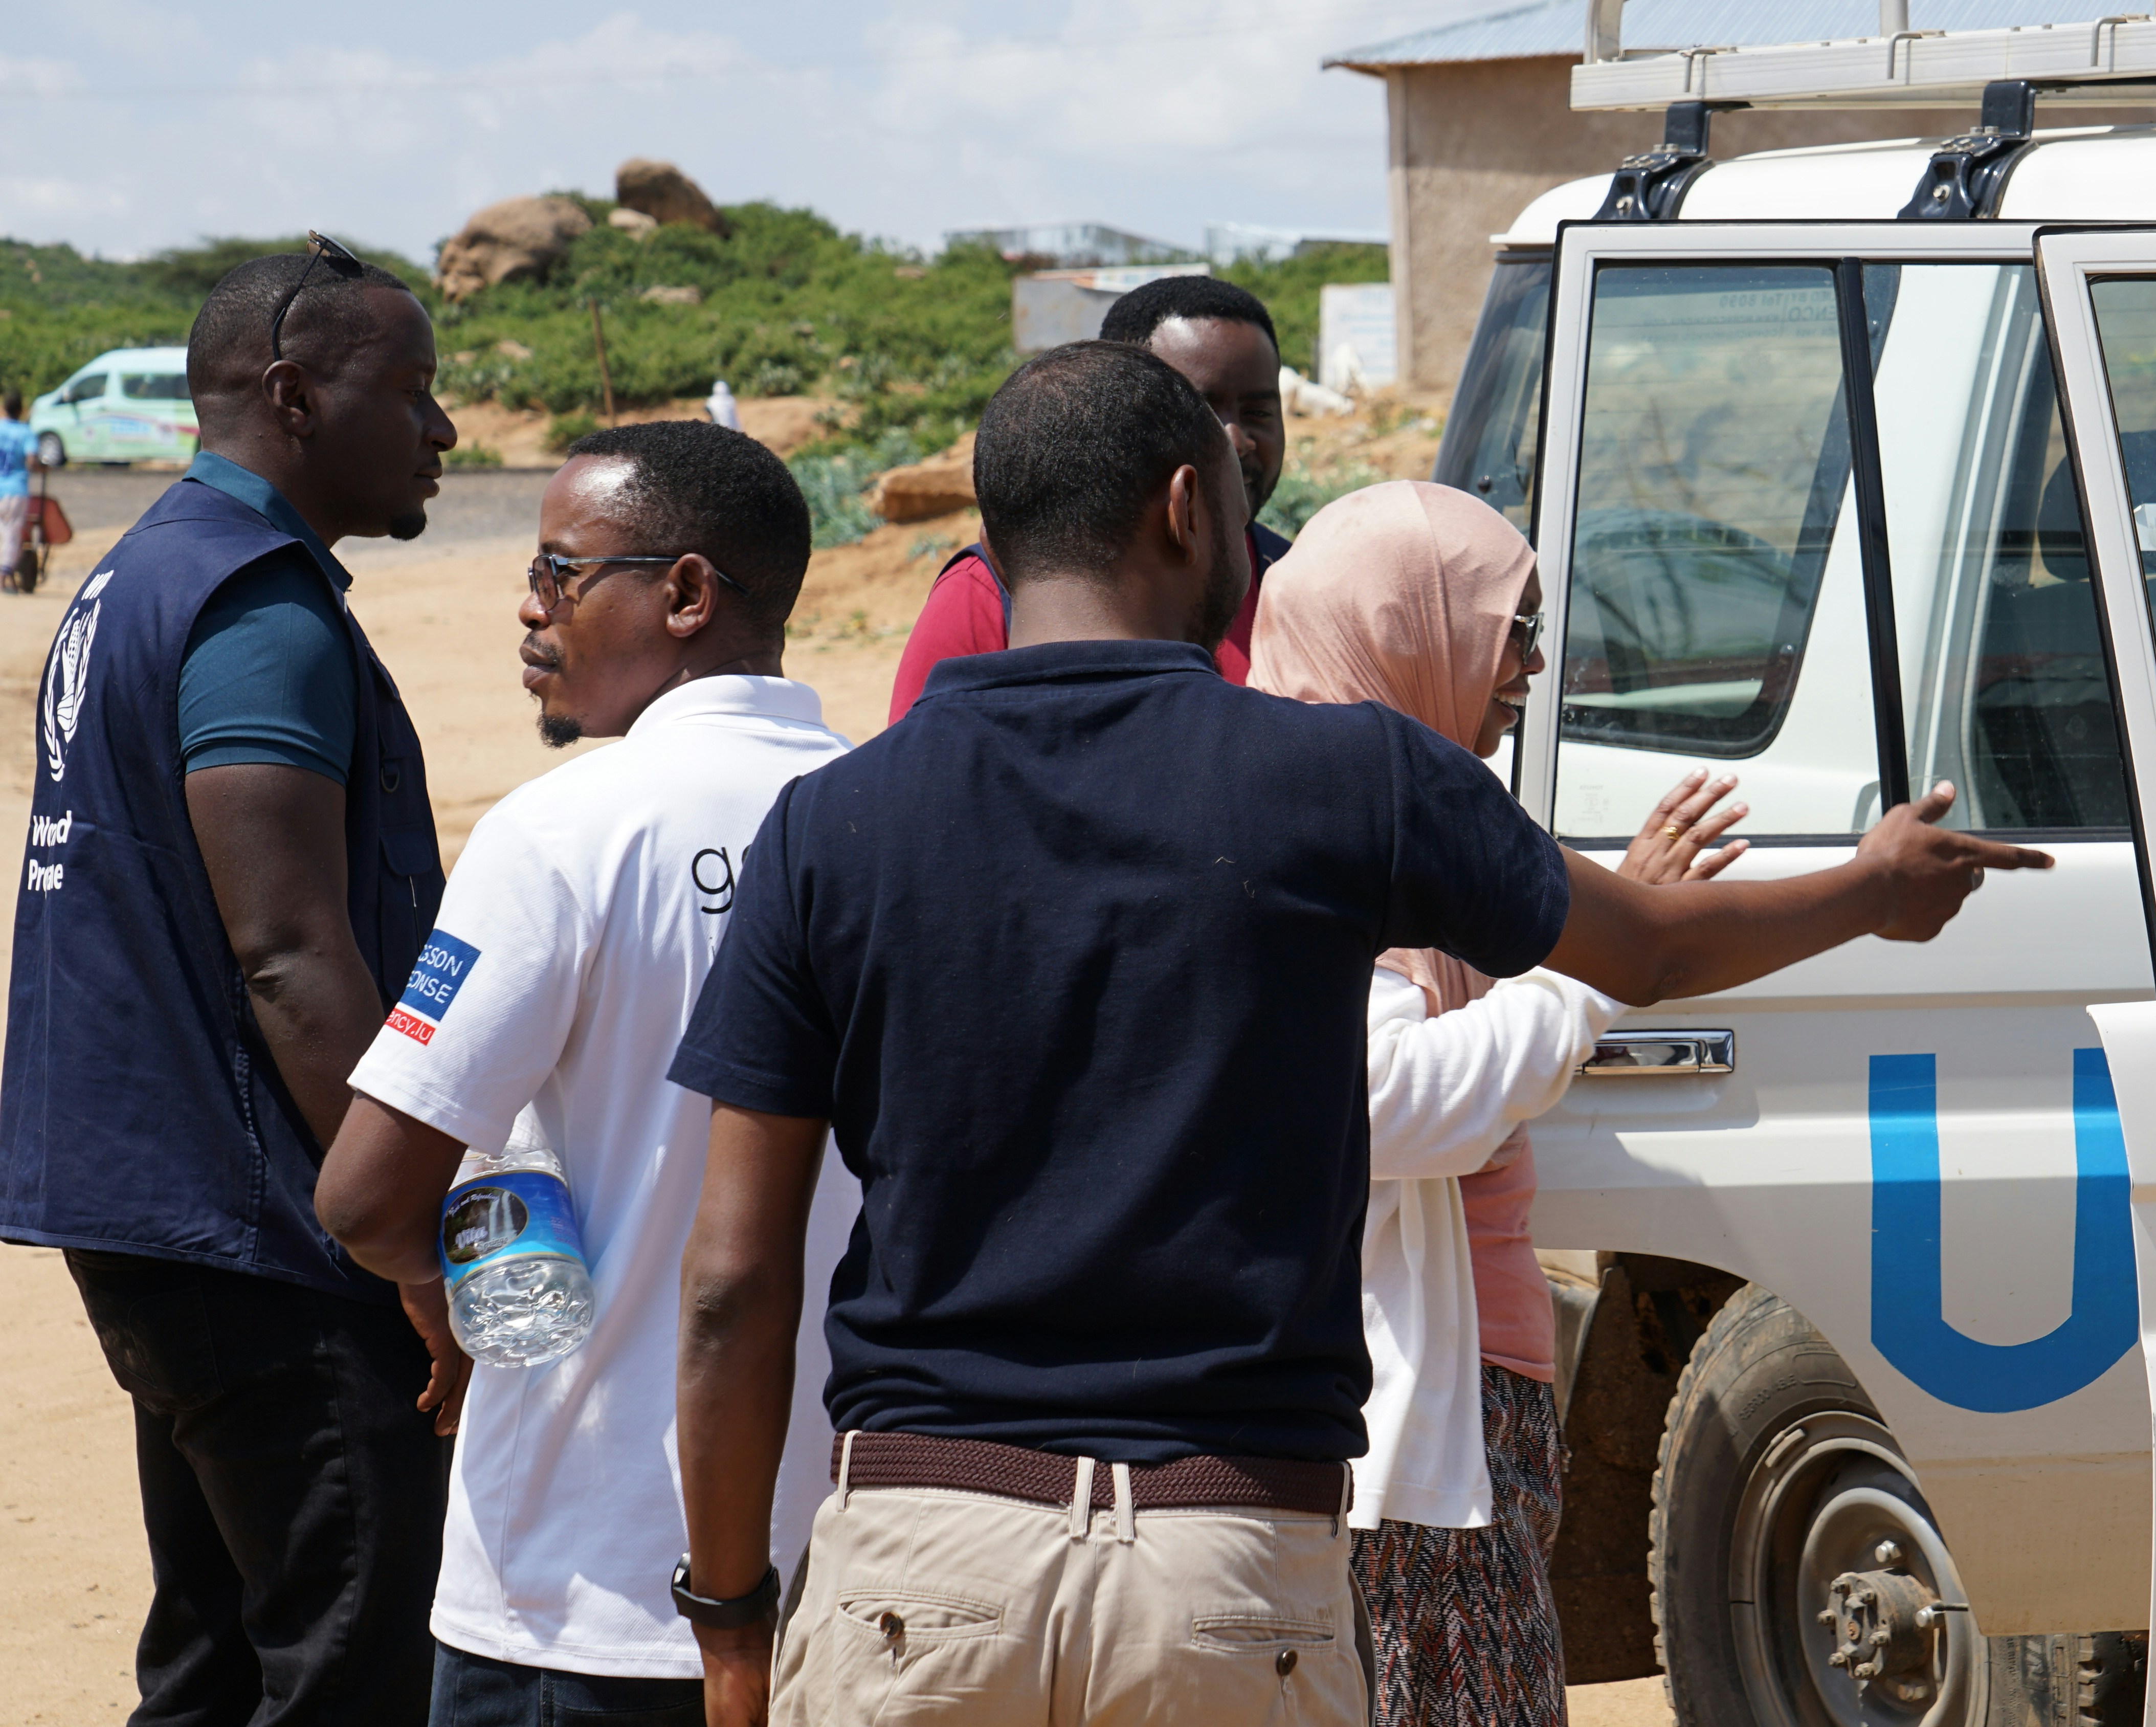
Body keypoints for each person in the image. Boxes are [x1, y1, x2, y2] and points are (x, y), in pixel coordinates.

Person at [662, 341, 2043, 1727]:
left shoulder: (834, 827)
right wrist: (1874, 890)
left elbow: (731, 1282)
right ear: (1187, 507)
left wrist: (731, 1626)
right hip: (1225, 1560)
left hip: (919, 1559)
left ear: (996, 535)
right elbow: (1658, 944)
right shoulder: (1347, 781)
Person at [314, 419, 861, 1727]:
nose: (527, 606)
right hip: (859, 1584)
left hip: (583, 1588)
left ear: (684, 593)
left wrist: (471, 1290)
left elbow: (372, 1198)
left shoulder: (565, 835)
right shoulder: (888, 816)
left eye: (561, 572)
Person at [0, 235, 459, 1724]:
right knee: (352, 1666)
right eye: (412, 388)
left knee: (211, 1654)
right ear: (294, 394)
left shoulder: (141, 572)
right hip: (263, 1237)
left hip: (160, 1213)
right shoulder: (255, 607)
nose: (442, 429)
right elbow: (287, 951)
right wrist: (410, 1234)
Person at [1247, 481, 1751, 1725]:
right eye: (1507, 628)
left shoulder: (1376, 802)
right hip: (1411, 1416)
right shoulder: (1335, 825)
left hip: (1460, 1385)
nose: (1531, 663)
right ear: (1406, 628)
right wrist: (1601, 970)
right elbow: (1391, 1101)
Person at [886, 274, 1293, 719]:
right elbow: (920, 770)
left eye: (1258, 412)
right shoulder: (994, 592)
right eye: (1202, 411)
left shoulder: (1297, 582)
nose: (1235, 439)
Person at [0, 391, 34, 590]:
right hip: (15, 489)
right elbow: (32, 459)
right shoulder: (26, 433)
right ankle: (4, 576)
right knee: (12, 532)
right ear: (21, 411)